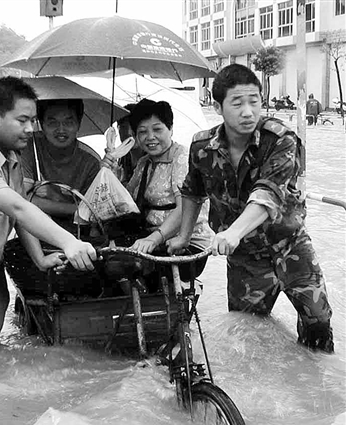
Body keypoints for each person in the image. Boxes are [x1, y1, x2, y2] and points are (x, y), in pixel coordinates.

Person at [167, 64, 334, 353]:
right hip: (245, 256)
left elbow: (268, 194)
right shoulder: (202, 147)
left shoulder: (280, 139)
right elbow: (192, 192)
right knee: (247, 332)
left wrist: (233, 232)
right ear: (218, 107)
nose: (248, 112)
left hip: (290, 246)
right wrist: (183, 236)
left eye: (254, 101)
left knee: (318, 324)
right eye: (237, 103)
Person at [0, 76, 97, 348]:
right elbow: (19, 207)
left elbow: (18, 212)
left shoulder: (12, 157)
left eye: (33, 120)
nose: (30, 129)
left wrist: (40, 259)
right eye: (22, 120)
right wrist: (70, 242)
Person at [125, 98, 213, 258]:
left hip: (186, 242)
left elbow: (185, 207)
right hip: (149, 237)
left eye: (157, 129)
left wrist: (154, 238)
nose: (150, 137)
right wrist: (110, 172)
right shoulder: (144, 163)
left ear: (171, 129)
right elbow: (126, 202)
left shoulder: (182, 158)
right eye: (143, 132)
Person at [20, 98, 101, 228]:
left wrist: (54, 196)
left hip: (78, 232)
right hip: (34, 228)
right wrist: (74, 209)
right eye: (53, 123)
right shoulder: (29, 146)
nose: (61, 130)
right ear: (41, 124)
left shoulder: (91, 162)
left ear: (79, 124)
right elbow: (21, 199)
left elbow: (92, 212)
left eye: (68, 122)